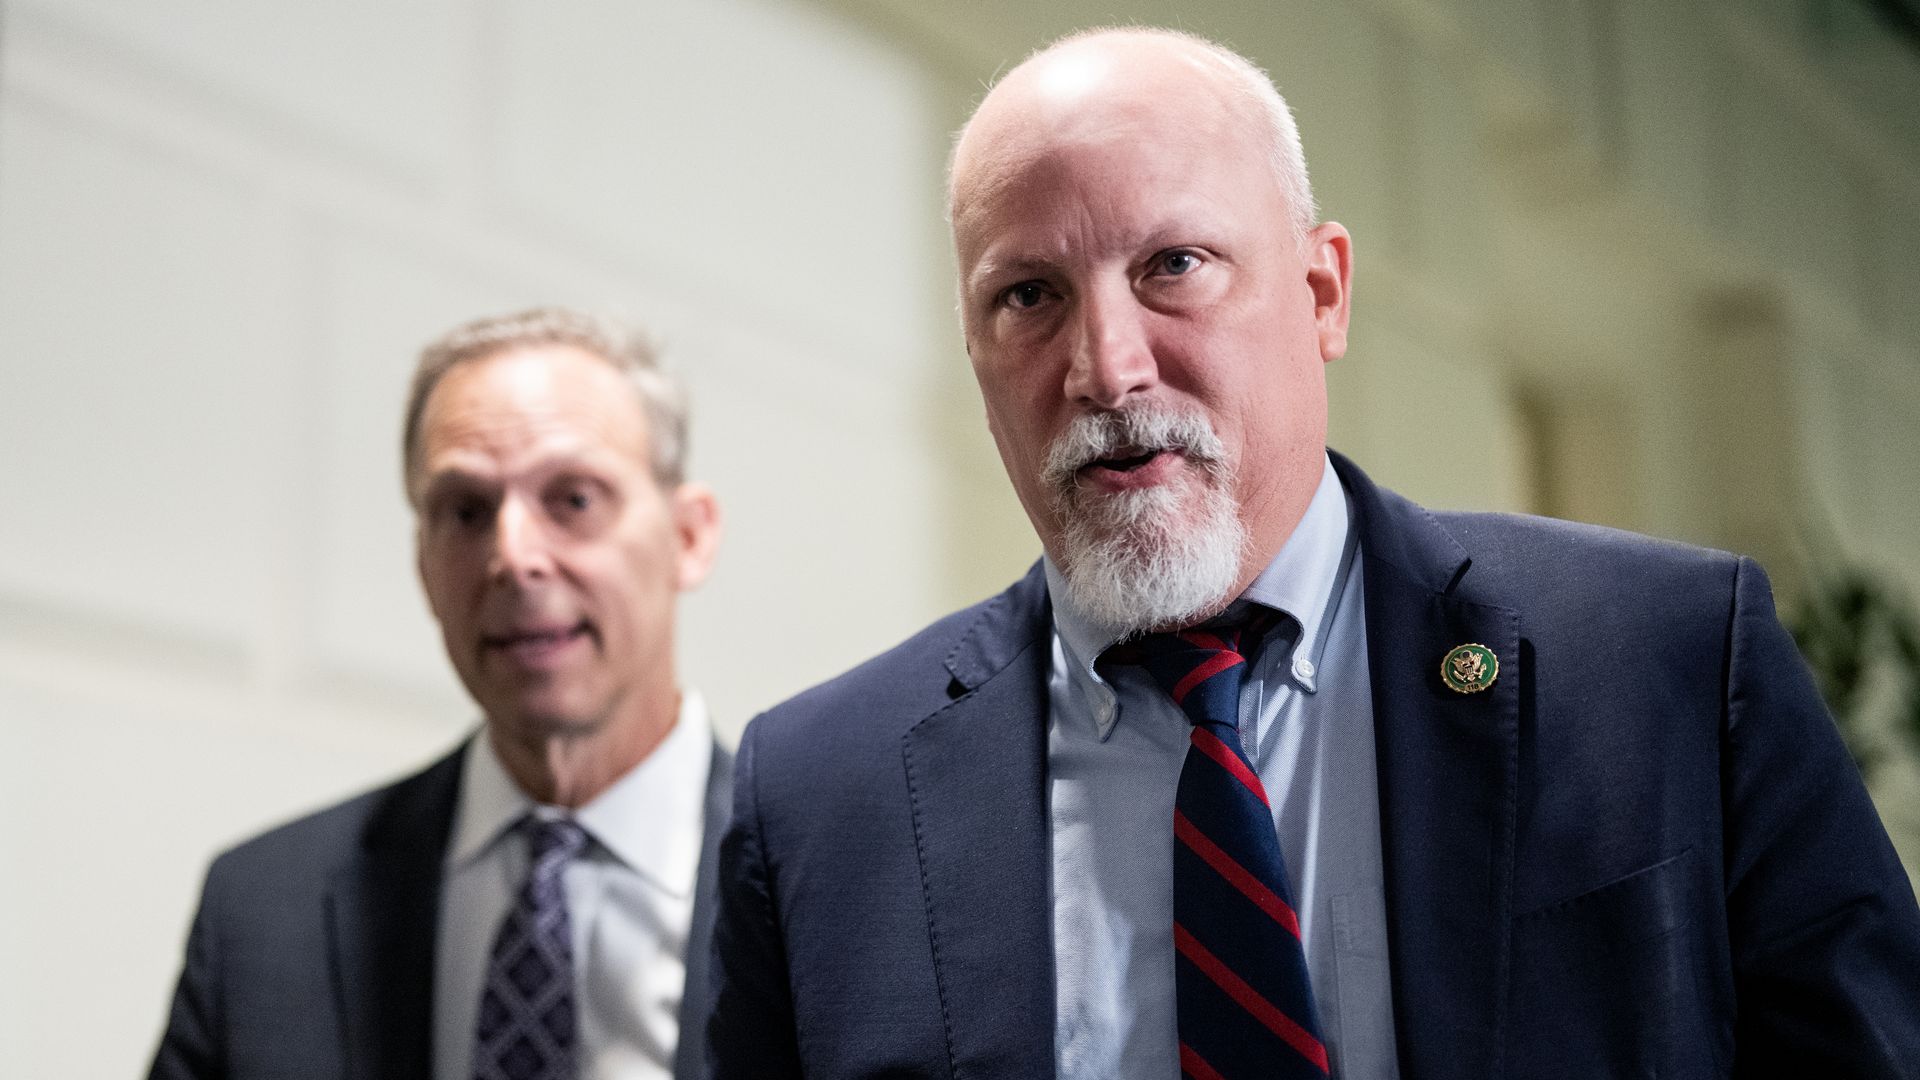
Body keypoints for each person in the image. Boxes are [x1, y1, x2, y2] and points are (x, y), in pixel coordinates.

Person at [707, 27, 1920, 1079]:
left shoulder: (1663, 661)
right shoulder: (816, 799)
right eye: (1028, 295)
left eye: (1172, 265)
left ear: (1323, 291)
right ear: (974, 355)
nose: (1107, 368)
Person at [149, 307, 728, 1080]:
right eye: (465, 511)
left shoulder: (833, 886)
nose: (513, 556)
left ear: (688, 538)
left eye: (574, 499)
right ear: (423, 565)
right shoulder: (262, 911)